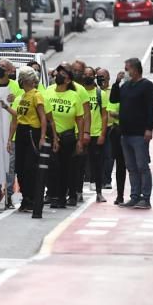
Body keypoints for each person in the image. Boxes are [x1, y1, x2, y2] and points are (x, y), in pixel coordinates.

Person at [110, 57, 153, 209]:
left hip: (139, 133)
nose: (125, 72)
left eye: (127, 69)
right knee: (131, 167)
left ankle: (145, 197)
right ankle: (134, 196)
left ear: (135, 70)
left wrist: (149, 128)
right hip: (126, 133)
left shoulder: (147, 86)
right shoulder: (125, 86)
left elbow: (152, 109)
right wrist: (116, 83)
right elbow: (114, 98)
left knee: (142, 165)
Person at [8, 67, 48, 213]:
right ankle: (25, 198)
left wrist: (42, 137)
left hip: (32, 132)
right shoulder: (23, 96)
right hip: (21, 132)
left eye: (22, 78)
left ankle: (32, 199)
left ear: (29, 80)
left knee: (30, 168)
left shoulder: (36, 95)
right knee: (19, 168)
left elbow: (43, 117)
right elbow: (17, 117)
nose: (20, 80)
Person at [44, 64, 85, 207]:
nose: (58, 75)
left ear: (68, 80)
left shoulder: (74, 96)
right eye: (58, 73)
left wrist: (80, 139)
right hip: (50, 136)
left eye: (62, 74)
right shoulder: (47, 91)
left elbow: (80, 118)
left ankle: (64, 196)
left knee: (67, 168)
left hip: (67, 137)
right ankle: (54, 195)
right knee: (52, 168)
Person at [0, 58, 21, 210]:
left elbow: (22, 108)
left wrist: (15, 99)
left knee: (10, 168)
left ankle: (9, 195)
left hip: (11, 134)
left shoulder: (16, 87)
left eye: (3, 66)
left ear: (10, 71)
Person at [82, 66, 108, 203]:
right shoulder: (78, 92)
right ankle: (77, 192)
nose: (88, 76)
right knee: (79, 164)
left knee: (97, 165)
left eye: (90, 74)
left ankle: (99, 192)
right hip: (80, 134)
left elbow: (105, 116)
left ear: (94, 77)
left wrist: (102, 134)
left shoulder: (100, 94)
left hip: (95, 134)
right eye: (85, 74)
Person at [70, 60, 92, 203]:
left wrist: (85, 133)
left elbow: (87, 114)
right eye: (74, 70)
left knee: (78, 164)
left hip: (79, 132)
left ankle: (77, 191)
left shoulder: (81, 90)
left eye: (79, 71)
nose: (76, 73)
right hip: (65, 131)